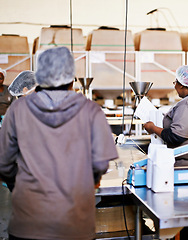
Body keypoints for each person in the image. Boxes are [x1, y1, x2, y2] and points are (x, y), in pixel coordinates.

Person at [0, 47, 118, 240]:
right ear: (72, 78)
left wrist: (21, 185)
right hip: (75, 225)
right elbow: (100, 165)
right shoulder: (91, 111)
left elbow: (3, 163)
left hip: (28, 223)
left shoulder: (17, 110)